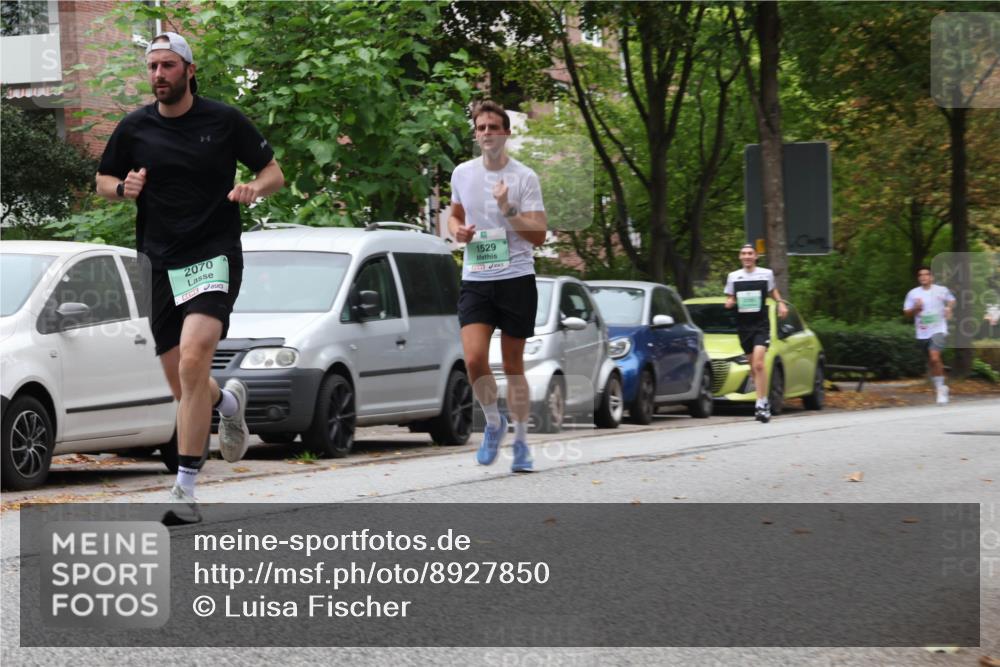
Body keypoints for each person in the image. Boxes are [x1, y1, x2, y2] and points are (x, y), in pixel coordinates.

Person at [96, 32, 284, 523]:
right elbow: (102, 181)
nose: (158, 75)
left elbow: (273, 172)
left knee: (194, 362)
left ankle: (184, 491)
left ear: (189, 70)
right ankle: (227, 400)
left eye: (168, 66)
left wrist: (252, 188)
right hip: (158, 260)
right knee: (187, 387)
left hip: (212, 253)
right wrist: (123, 187)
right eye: (153, 67)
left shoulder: (222, 120)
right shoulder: (134, 127)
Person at [447, 101, 547, 472]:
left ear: (506, 132)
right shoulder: (462, 173)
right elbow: (455, 215)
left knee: (512, 364)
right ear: (476, 135)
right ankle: (493, 422)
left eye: (494, 126)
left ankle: (520, 441)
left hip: (516, 277)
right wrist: (456, 230)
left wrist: (507, 208)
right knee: (473, 359)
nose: (487, 132)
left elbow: (538, 235)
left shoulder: (525, 177)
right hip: (476, 278)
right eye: (481, 127)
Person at [724, 244, 788, 423]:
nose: (747, 256)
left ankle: (761, 403)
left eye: (750, 253)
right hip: (743, 327)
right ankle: (762, 399)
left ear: (756, 256)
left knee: (759, 364)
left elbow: (772, 290)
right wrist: (729, 302)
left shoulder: (765, 274)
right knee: (753, 367)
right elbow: (730, 296)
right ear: (740, 257)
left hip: (761, 325)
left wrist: (781, 303)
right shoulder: (733, 276)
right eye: (744, 253)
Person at [903, 266, 955, 405]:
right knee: (933, 362)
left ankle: (940, 390)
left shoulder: (941, 290)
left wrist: (949, 308)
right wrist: (916, 308)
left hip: (939, 329)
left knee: (934, 357)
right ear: (918, 278)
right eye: (921, 275)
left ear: (931, 277)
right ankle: (942, 385)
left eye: (926, 274)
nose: (923, 277)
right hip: (922, 332)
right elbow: (906, 313)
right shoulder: (913, 294)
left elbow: (951, 299)